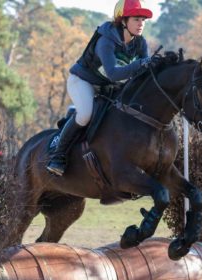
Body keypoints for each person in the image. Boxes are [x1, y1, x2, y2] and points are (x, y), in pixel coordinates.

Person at [46, 0, 154, 176]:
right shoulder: (106, 41)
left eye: (143, 20)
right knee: (85, 114)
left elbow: (142, 72)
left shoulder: (140, 43)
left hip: (108, 87)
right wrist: (141, 64)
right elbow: (113, 73)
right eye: (136, 19)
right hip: (83, 82)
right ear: (123, 20)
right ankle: (58, 155)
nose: (141, 23)